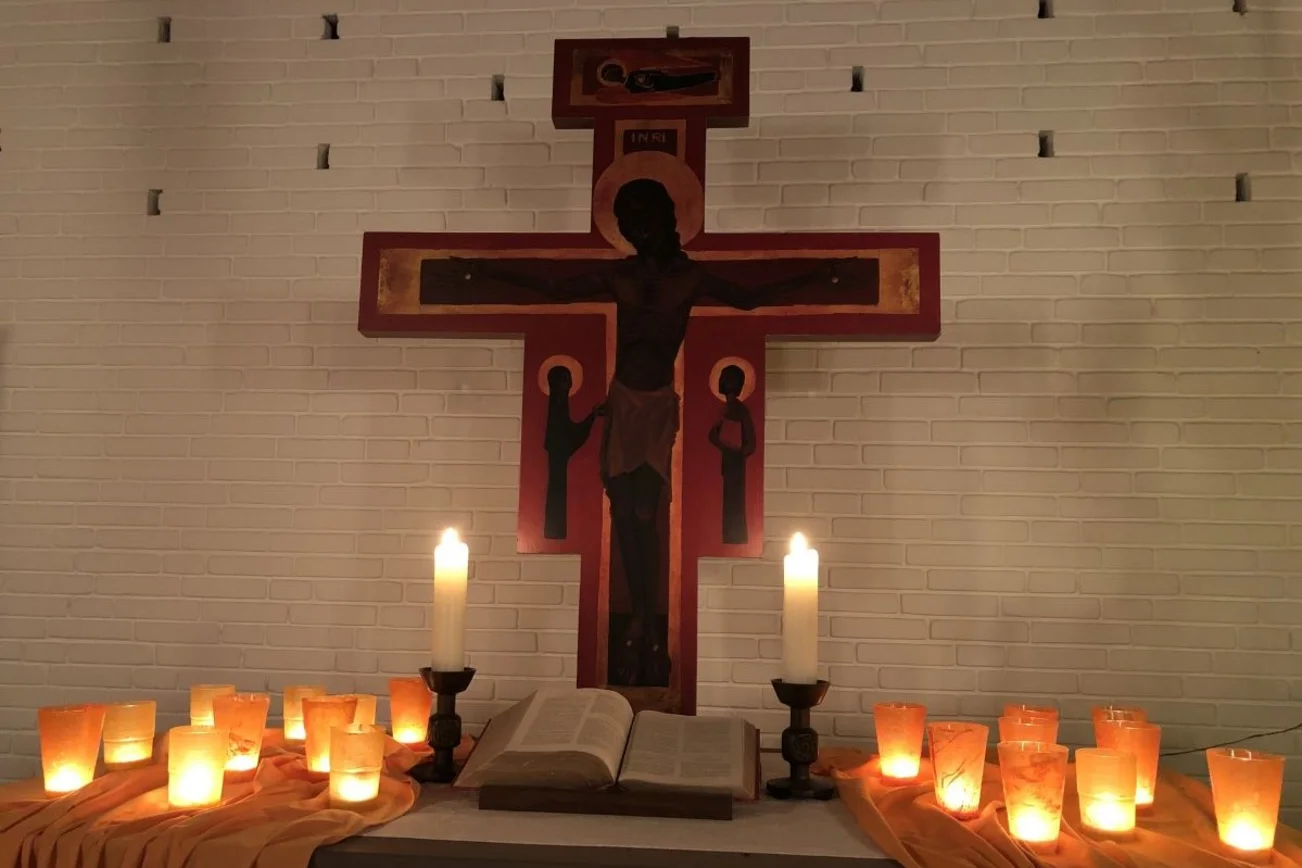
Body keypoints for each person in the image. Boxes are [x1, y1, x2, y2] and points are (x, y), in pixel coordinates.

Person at [427, 177, 847, 686]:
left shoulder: (690, 278)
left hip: (655, 406)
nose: (636, 231)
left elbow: (751, 298)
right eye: (628, 223)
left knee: (647, 511)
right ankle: (641, 615)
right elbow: (556, 289)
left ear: (667, 217)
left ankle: (647, 616)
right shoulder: (620, 276)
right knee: (624, 510)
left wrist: (816, 275)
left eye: (643, 219)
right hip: (624, 401)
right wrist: (489, 270)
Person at [542, 365, 597, 540]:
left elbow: (569, 434)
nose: (569, 383)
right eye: (566, 379)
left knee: (556, 491)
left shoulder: (559, 400)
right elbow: (568, 436)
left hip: (557, 449)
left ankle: (554, 531)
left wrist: (591, 418)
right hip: (557, 450)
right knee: (557, 492)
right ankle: (555, 531)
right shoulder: (558, 401)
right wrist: (592, 417)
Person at [709, 364, 756, 545]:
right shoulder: (726, 409)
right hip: (729, 462)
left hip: (735, 463)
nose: (720, 380)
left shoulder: (740, 410)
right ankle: (729, 537)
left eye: (724, 377)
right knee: (729, 502)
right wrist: (724, 445)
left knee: (735, 502)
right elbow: (714, 435)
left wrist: (736, 451)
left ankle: (735, 537)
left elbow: (750, 442)